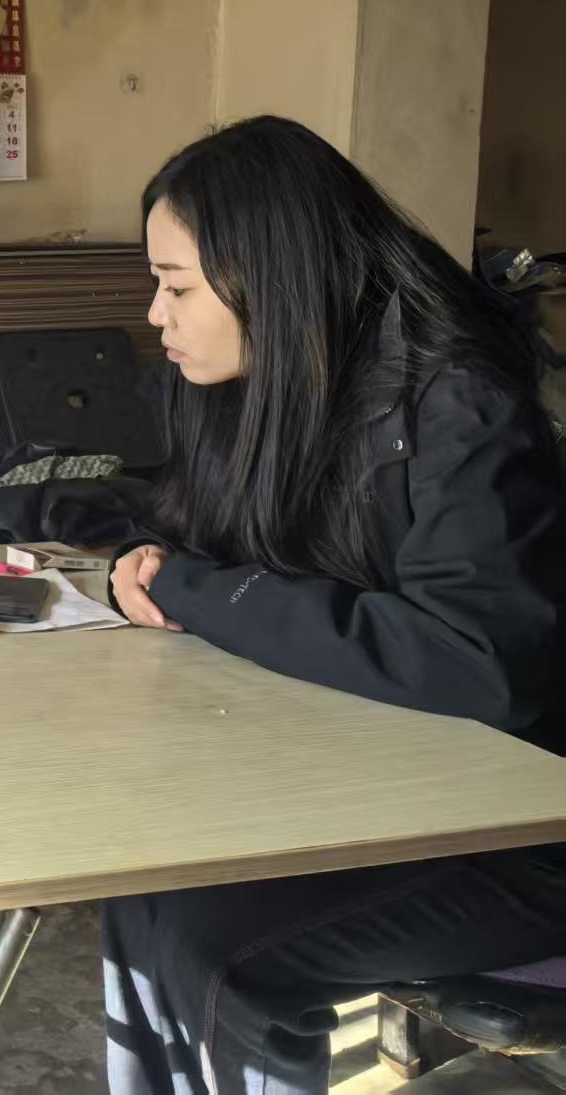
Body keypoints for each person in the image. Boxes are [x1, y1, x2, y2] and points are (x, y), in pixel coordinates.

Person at [102, 115, 566, 1095]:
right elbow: (198, 540)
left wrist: (198, 589)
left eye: (176, 286)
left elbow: (471, 660)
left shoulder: (456, 399)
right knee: (142, 887)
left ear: (266, 278)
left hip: (523, 827)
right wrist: (145, 562)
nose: (155, 313)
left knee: (218, 945)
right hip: (395, 785)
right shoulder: (262, 384)